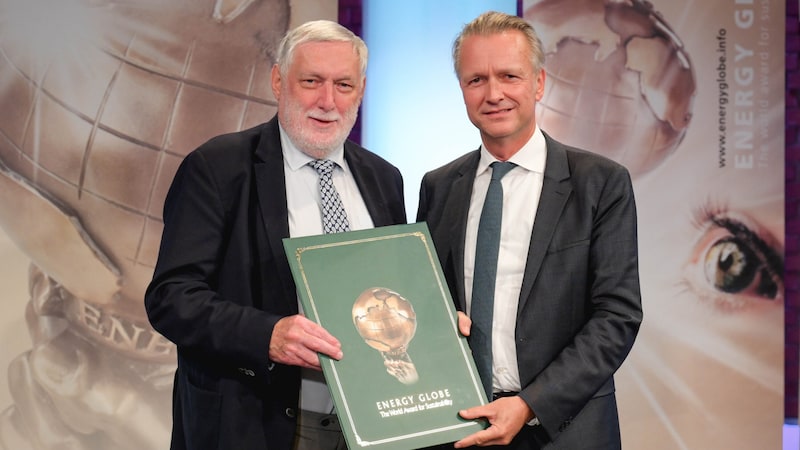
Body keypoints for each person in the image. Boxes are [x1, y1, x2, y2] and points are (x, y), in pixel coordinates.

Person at [145, 19, 406, 450]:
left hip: (368, 423)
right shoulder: (217, 168)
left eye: (343, 85)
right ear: (278, 81)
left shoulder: (384, 178)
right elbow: (171, 297)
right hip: (254, 423)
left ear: (360, 91)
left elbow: (389, 286)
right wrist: (266, 336)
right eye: (311, 81)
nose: (327, 101)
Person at [416, 11, 642, 449]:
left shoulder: (600, 183)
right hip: (460, 427)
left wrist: (529, 404)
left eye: (509, 76)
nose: (494, 93)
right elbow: (428, 303)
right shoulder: (438, 187)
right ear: (461, 90)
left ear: (538, 83)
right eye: (476, 80)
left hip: (564, 429)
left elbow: (617, 316)